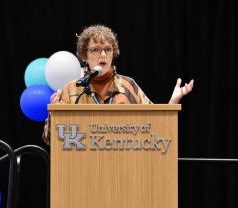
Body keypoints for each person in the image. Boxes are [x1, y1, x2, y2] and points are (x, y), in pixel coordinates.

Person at [42, 24, 194, 144]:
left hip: (123, 169)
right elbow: (50, 139)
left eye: (107, 49)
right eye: (95, 50)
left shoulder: (128, 85)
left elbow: (155, 128)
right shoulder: (72, 90)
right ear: (84, 55)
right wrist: (55, 115)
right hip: (84, 171)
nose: (103, 55)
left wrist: (172, 102)